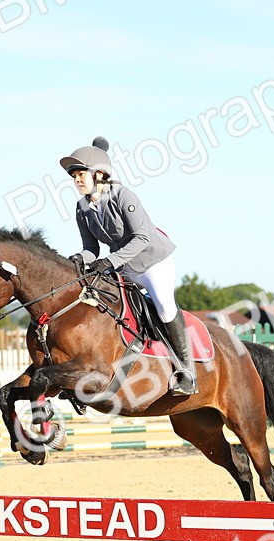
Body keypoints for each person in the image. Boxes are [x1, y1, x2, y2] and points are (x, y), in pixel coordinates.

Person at [60, 136, 197, 396]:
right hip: (124, 267)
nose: (77, 180)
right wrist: (80, 259)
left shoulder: (123, 196)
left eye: (81, 174)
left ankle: (187, 372)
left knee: (166, 308)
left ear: (99, 174)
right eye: (74, 176)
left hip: (154, 262)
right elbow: (92, 249)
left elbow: (143, 237)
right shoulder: (81, 208)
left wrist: (109, 262)